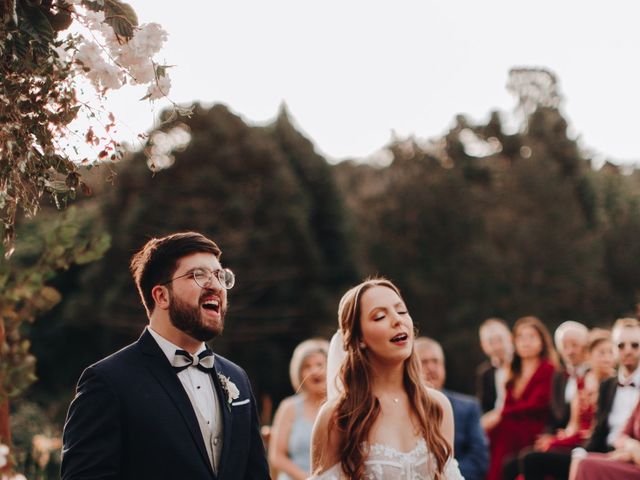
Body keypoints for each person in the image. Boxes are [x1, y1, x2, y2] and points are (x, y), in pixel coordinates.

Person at [61, 232, 270, 480]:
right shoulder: (108, 382)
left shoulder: (237, 378)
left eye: (219, 276)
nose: (216, 285)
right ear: (161, 296)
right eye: (199, 275)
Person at [310, 278, 463, 479]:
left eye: (401, 311)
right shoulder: (338, 416)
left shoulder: (436, 405)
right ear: (360, 338)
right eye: (380, 316)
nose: (397, 320)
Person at [520, 318, 640, 479]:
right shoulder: (608, 385)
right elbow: (598, 430)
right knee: (530, 459)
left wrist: (631, 450)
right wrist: (581, 452)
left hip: (628, 456)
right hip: (602, 450)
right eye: (621, 345)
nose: (628, 350)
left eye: (635, 345)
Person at [484, 315, 558, 480]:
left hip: (535, 426)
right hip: (511, 425)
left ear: (542, 341)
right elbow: (507, 403)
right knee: (489, 432)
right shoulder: (513, 371)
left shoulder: (548, 369)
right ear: (514, 342)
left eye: (532, 337)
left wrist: (500, 415)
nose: (526, 342)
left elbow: (537, 405)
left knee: (502, 428)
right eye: (521, 337)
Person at [415, 337, 489, 480]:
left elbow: (479, 460)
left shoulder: (469, 407)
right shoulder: (399, 407)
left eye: (436, 361)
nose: (431, 368)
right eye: (424, 362)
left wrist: (442, 474)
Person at [269, 339, 329, 480]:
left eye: (319, 364)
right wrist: (307, 478)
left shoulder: (343, 406)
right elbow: (277, 456)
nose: (314, 371)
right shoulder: (289, 407)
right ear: (299, 373)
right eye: (307, 366)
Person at [570, 397, 640, 479]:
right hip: (630, 457)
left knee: (588, 465)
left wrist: (634, 451)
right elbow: (620, 436)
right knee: (579, 459)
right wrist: (631, 446)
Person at [549, 321, 590, 431]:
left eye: (574, 345)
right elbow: (554, 414)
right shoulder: (558, 376)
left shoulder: (593, 375)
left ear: (585, 347)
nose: (570, 351)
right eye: (565, 346)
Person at [476, 318, 513, 414]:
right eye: (491, 342)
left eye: (500, 340)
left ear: (510, 337)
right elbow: (484, 406)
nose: (497, 346)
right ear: (484, 345)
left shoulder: (523, 363)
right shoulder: (484, 373)